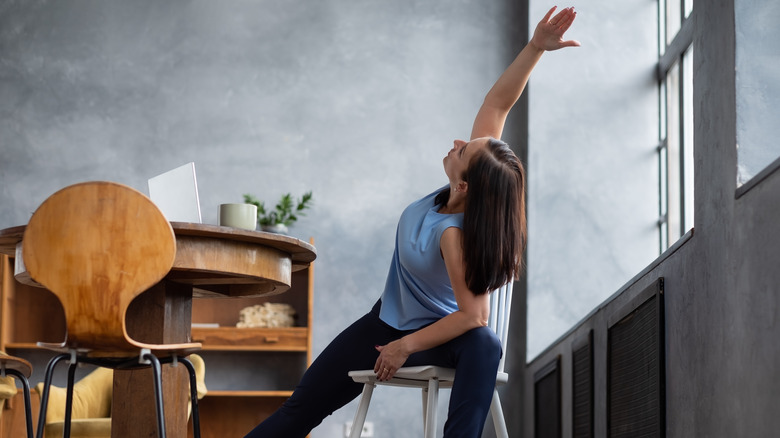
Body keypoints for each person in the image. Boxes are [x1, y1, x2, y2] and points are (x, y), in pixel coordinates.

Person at [244, 6, 579, 438]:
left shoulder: (456, 236)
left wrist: (406, 346)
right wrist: (535, 48)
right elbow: (497, 103)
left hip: (439, 336)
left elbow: (475, 316)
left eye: (464, 150)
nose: (458, 143)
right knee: (300, 409)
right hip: (384, 322)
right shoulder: (458, 193)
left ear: (465, 187)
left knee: (485, 343)